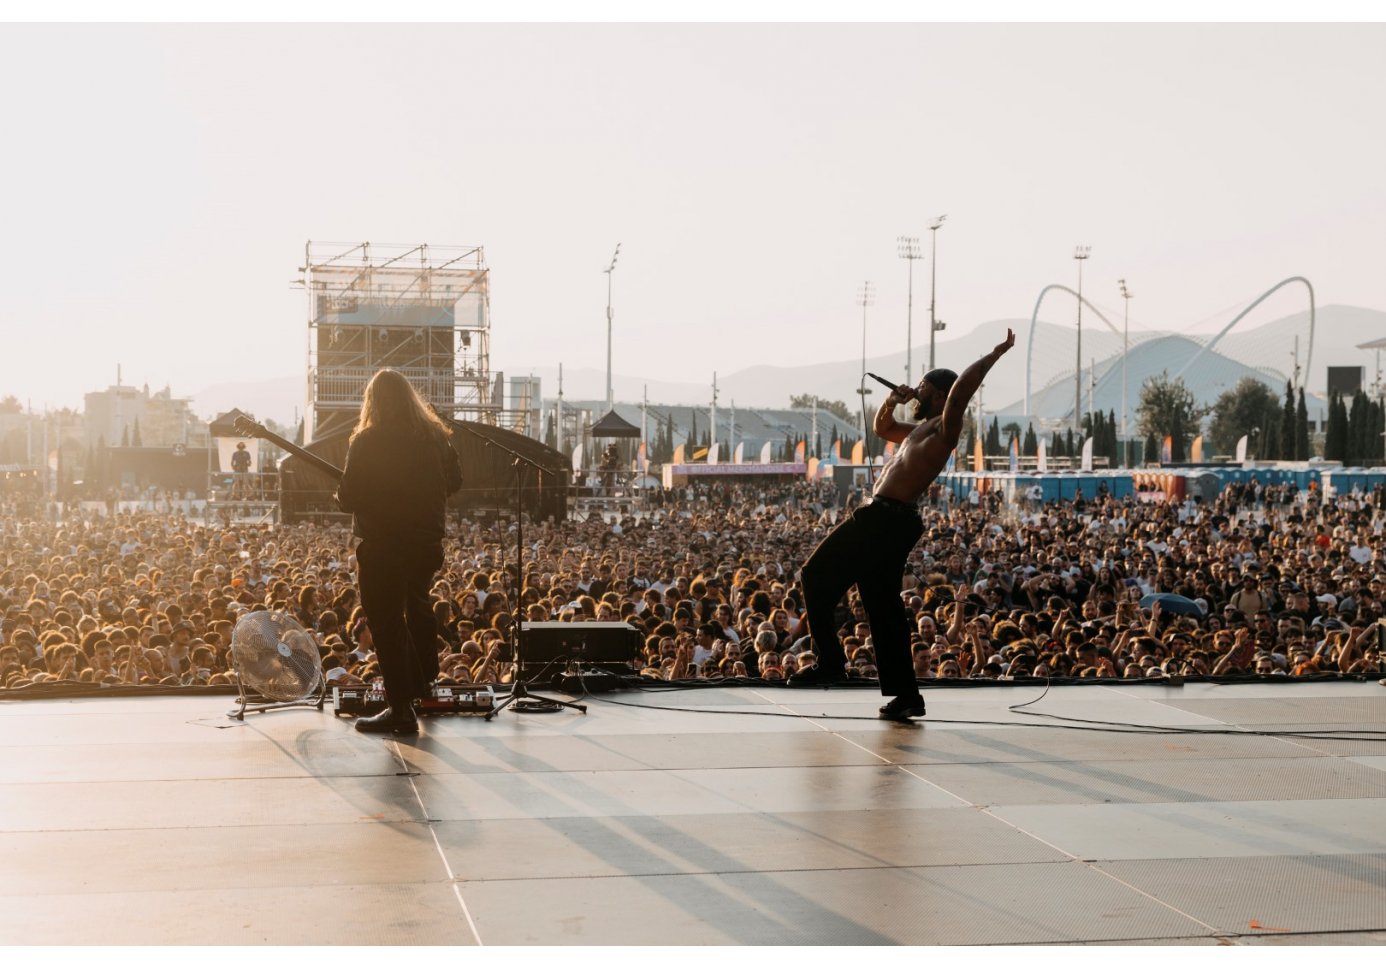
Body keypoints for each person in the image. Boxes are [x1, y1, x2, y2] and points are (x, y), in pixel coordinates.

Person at [789, 329, 1016, 721]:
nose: (918, 391)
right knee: (882, 608)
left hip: (884, 518)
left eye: (924, 387)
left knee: (814, 575)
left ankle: (830, 663)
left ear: (941, 397)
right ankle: (907, 696)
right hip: (890, 520)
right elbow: (882, 428)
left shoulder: (946, 429)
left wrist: (993, 356)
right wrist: (893, 398)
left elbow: (961, 389)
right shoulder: (918, 432)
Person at [336, 369, 463, 734]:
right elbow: (454, 481)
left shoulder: (367, 440)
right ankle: (423, 684)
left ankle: (401, 710)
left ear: (372, 401)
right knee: (418, 603)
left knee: (387, 623)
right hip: (426, 543)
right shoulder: (435, 437)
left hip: (384, 546)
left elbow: (348, 497)